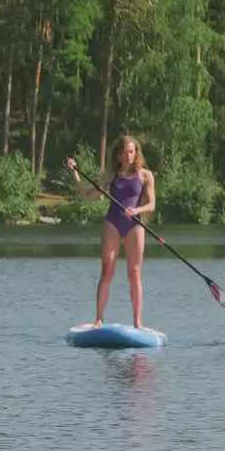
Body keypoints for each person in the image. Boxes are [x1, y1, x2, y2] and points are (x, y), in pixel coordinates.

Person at [66, 135, 156, 330]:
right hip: (113, 224)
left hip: (135, 225)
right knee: (107, 271)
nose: (128, 156)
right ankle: (98, 319)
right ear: (117, 155)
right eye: (124, 152)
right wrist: (75, 175)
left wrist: (137, 210)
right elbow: (88, 196)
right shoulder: (110, 175)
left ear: (136, 153)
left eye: (131, 152)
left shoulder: (145, 175)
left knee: (134, 273)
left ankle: (138, 323)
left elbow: (152, 204)